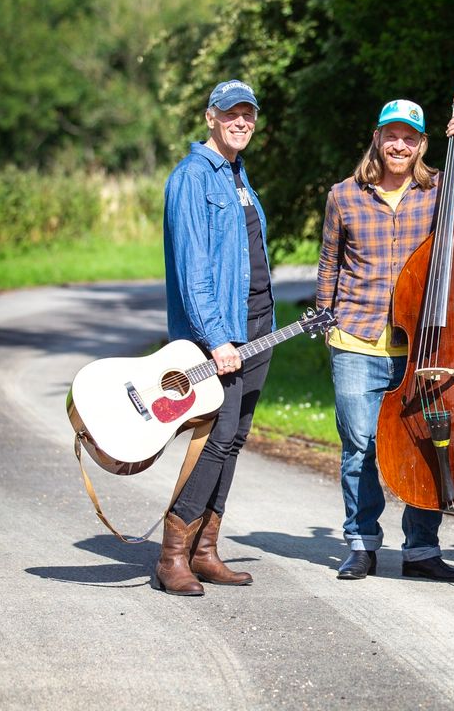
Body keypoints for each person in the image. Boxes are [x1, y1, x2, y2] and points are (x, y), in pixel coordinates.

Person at [316, 98, 454, 581]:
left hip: (424, 345)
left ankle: (421, 550)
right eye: (391, 135)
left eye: (409, 137)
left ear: (423, 144)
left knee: (425, 444)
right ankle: (361, 544)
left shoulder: (442, 190)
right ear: (377, 139)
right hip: (356, 339)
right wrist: (328, 321)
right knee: (359, 446)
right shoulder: (344, 195)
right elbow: (328, 264)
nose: (398, 145)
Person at [157, 79, 274, 596]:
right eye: (231, 114)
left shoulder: (237, 176)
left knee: (236, 436)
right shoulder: (191, 178)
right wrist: (216, 338)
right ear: (210, 117)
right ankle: (171, 554)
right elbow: (193, 269)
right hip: (221, 334)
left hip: (259, 325)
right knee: (216, 437)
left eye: (248, 114)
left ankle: (205, 551)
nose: (241, 122)